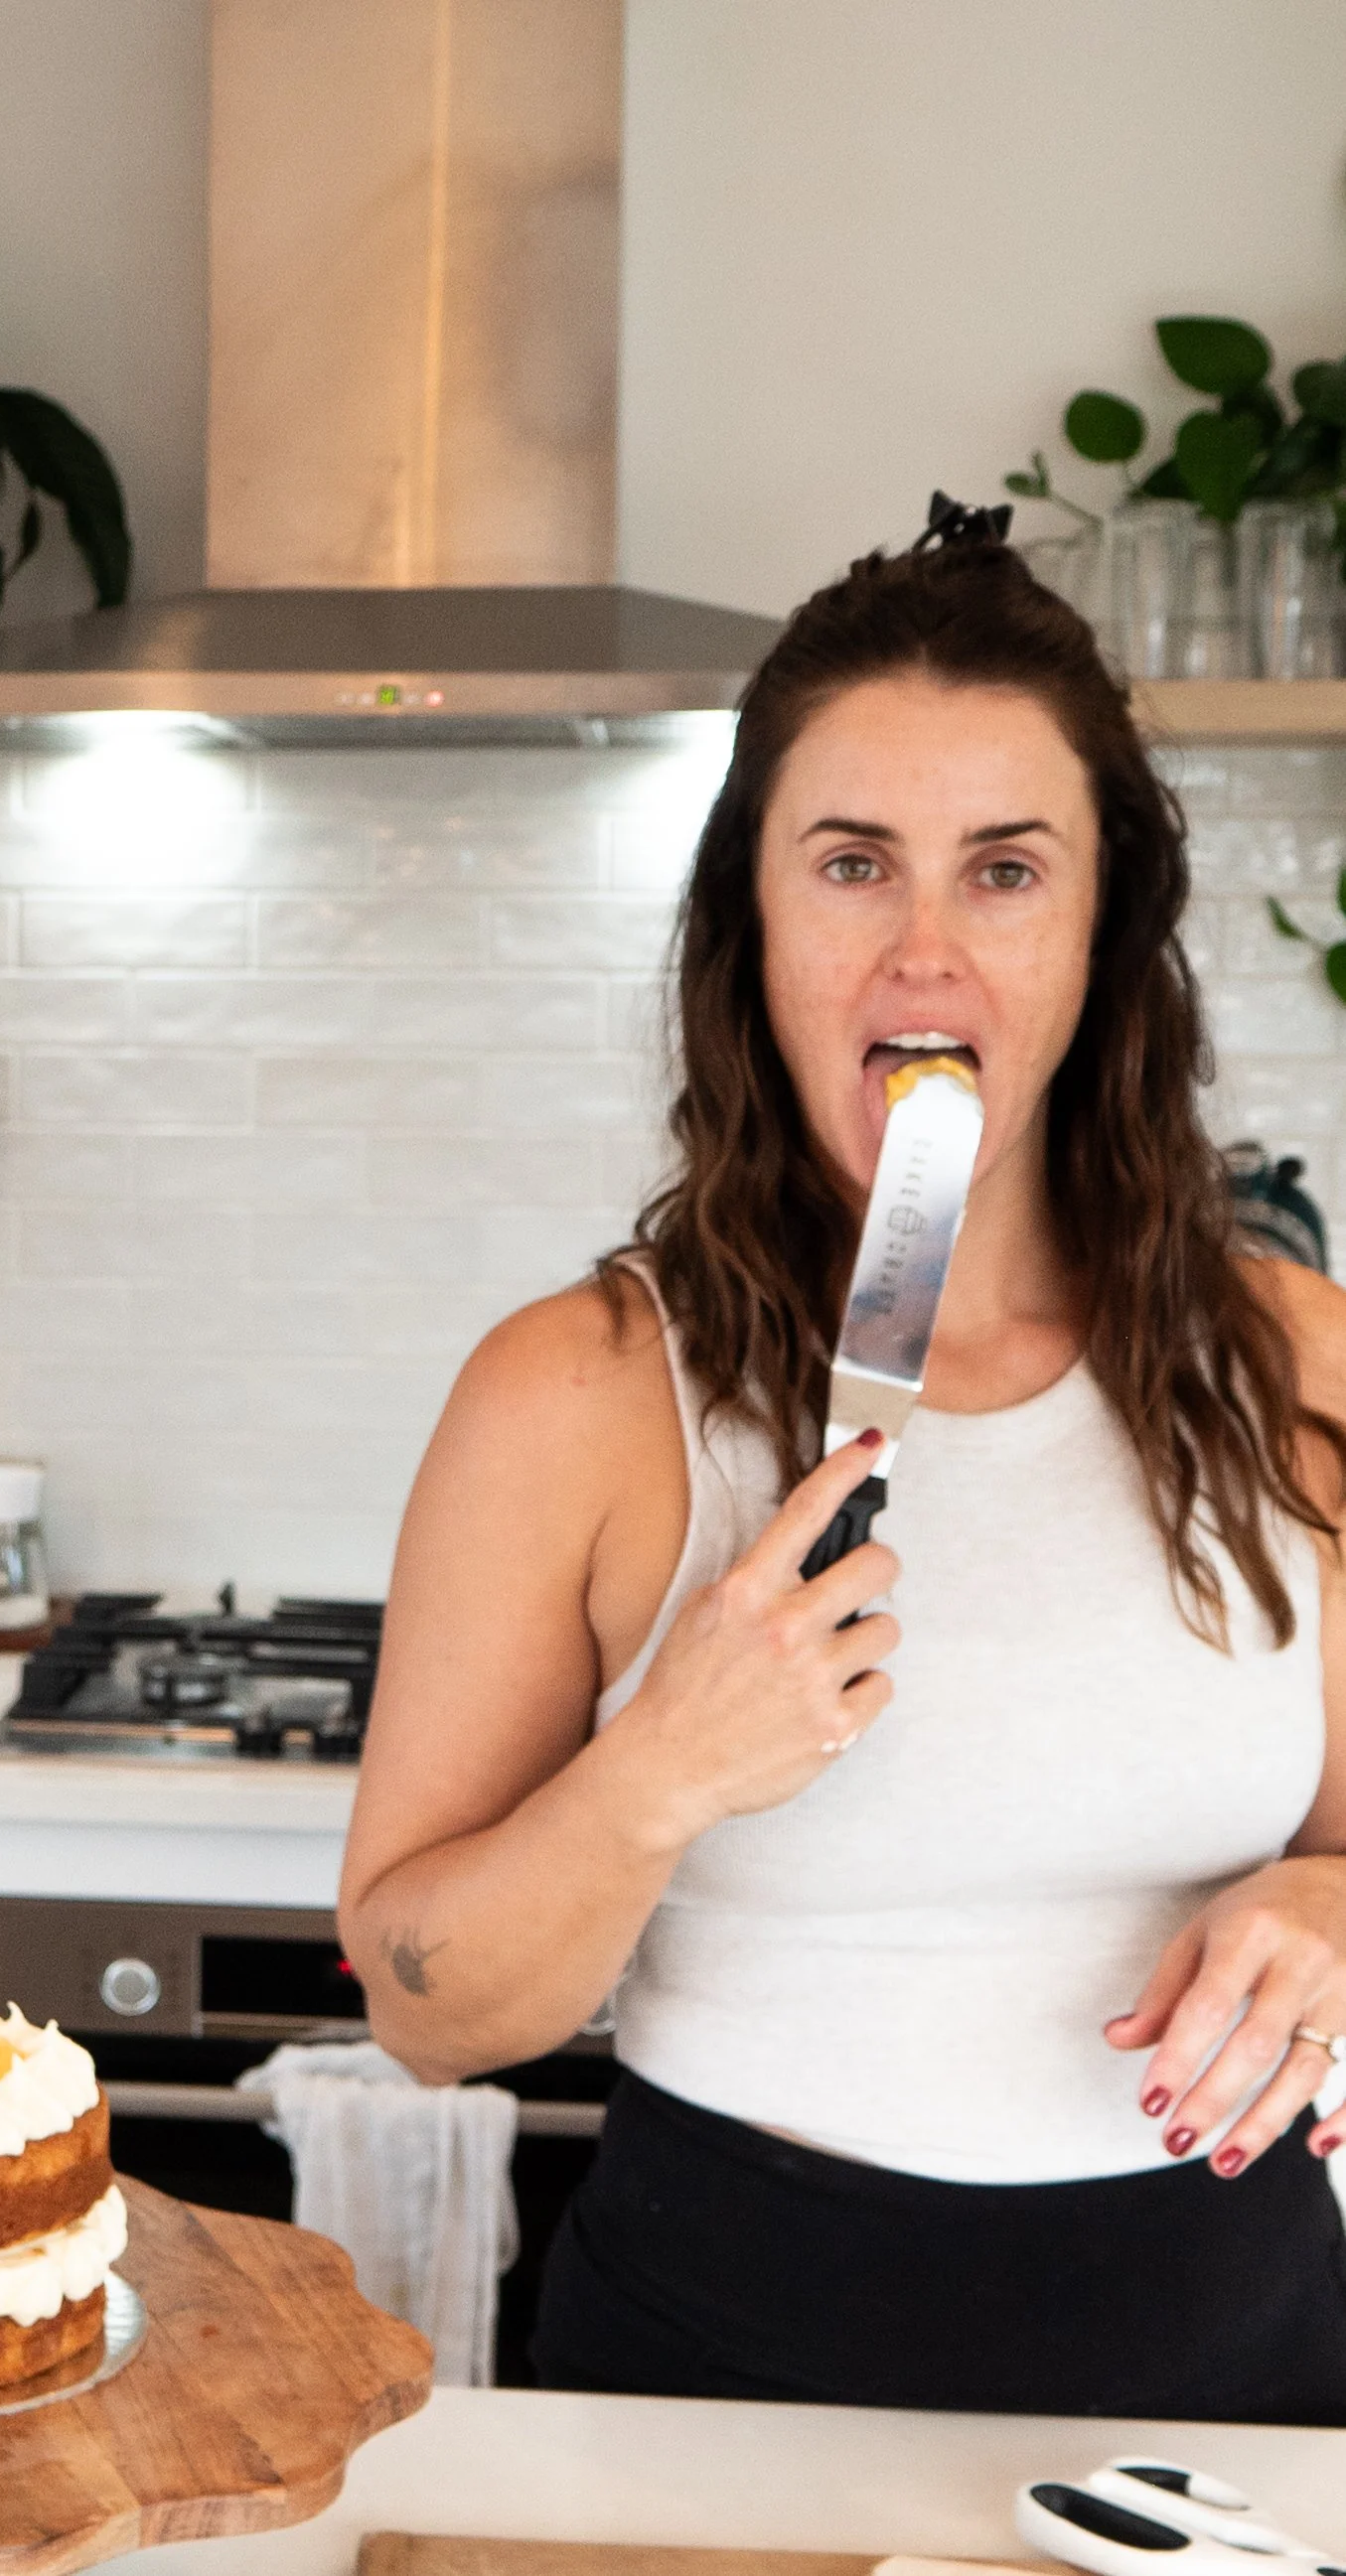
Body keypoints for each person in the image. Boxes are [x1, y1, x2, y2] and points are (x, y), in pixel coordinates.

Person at [337, 504, 1346, 2424]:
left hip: (1233, 2391)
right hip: (720, 2383)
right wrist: (661, 1767)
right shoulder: (580, 1393)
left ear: (1102, 926)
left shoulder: (1293, 1365)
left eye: (1004, 871)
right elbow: (420, 2006)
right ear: (754, 915)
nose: (924, 948)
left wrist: (1337, 1915)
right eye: (852, 863)